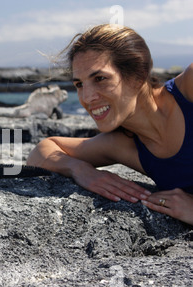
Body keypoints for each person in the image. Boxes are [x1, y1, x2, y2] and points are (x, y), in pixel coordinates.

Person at [27, 24, 193, 226]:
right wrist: (80, 170)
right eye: (79, 84)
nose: (87, 98)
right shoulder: (122, 145)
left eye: (100, 79)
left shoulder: (188, 90)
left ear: (139, 74)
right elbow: (41, 151)